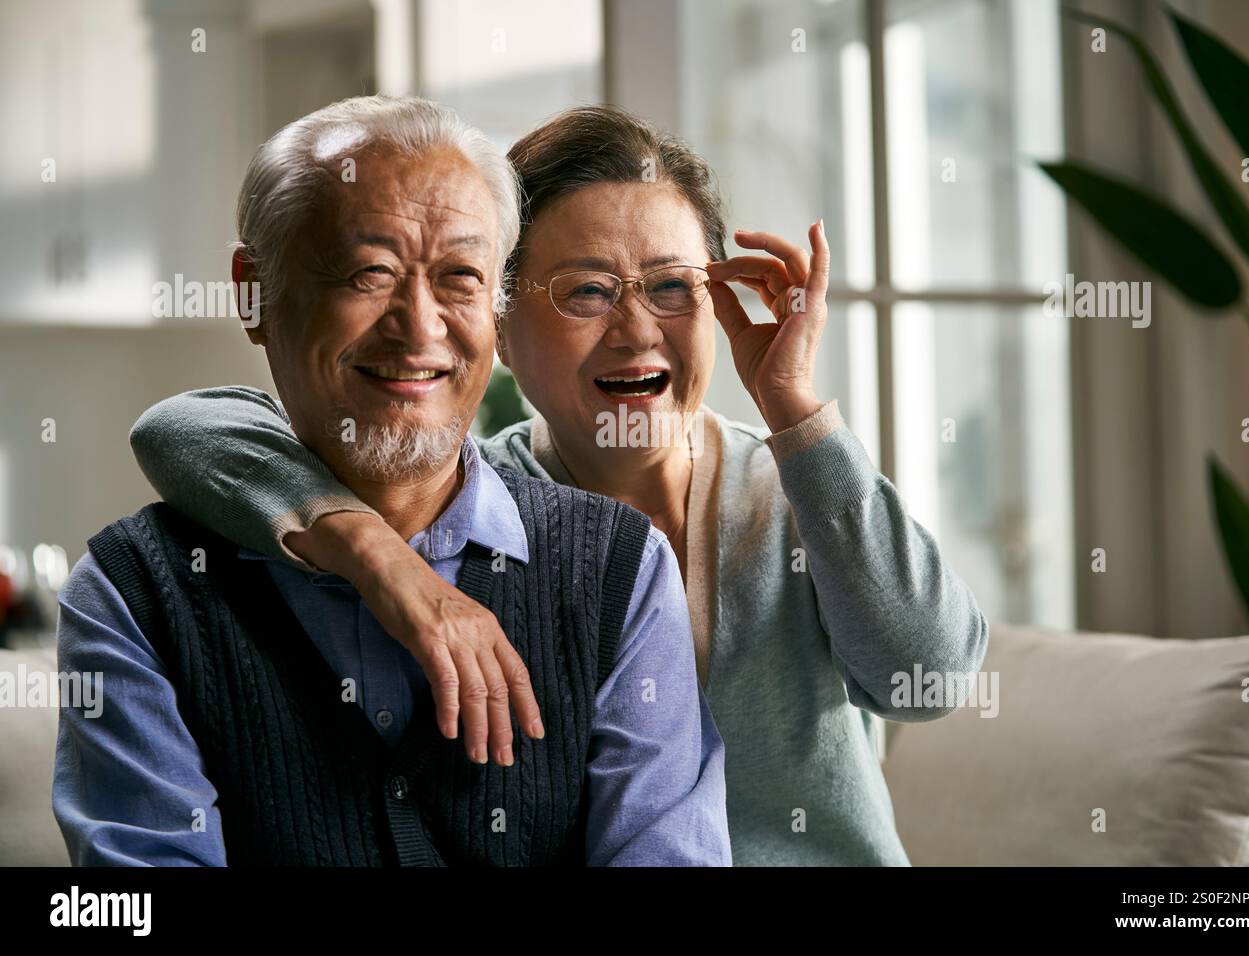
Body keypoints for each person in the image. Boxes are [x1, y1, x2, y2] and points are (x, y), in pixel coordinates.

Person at [131, 103, 989, 866]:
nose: (637, 328)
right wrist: (374, 555)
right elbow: (185, 428)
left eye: (670, 287)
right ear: (496, 318)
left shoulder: (802, 486)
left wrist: (796, 411)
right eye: (586, 291)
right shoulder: (469, 505)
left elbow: (933, 677)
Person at [53, 96, 730, 867]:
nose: (418, 327)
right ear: (253, 292)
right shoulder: (134, 593)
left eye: (459, 278)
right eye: (367, 273)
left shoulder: (620, 569)